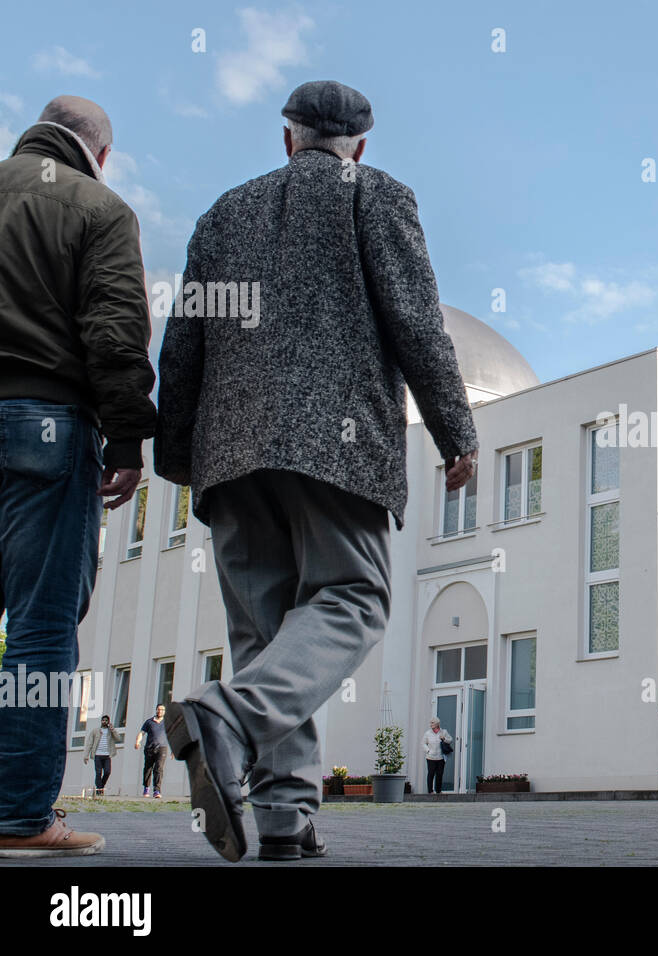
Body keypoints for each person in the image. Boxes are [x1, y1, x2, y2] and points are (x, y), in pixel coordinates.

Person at [155, 80, 479, 863]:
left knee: (270, 638)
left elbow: (184, 341)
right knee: (354, 597)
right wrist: (454, 430)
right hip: (338, 444)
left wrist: (175, 453)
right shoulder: (377, 195)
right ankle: (228, 718)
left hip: (230, 455)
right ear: (359, 146)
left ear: (287, 137)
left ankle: (283, 816)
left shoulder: (222, 214)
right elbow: (415, 322)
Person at [0, 95, 156, 859]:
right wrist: (127, 440)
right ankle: (22, 816)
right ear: (100, 151)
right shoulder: (98, 206)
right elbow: (116, 330)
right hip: (46, 426)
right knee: (38, 626)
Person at [83, 715, 122, 795]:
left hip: (107, 755)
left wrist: (113, 730)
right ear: (101, 721)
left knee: (107, 772)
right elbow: (89, 743)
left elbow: (118, 739)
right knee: (98, 772)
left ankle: (100, 786)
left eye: (106, 720)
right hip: (97, 755)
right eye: (103, 720)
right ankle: (99, 790)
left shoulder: (111, 731)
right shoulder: (95, 731)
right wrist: (86, 755)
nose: (104, 722)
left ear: (108, 722)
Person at [136, 704, 169, 797]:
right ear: (156, 710)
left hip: (162, 748)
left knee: (159, 768)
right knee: (148, 768)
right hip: (149, 748)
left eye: (162, 710)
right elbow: (142, 733)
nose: (160, 711)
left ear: (164, 711)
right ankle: (146, 788)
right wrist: (137, 742)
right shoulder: (149, 722)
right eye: (159, 709)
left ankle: (157, 790)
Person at [422, 718, 452, 794]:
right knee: (431, 773)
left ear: (437, 724)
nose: (431, 724)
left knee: (439, 774)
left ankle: (438, 790)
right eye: (430, 722)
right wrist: (428, 750)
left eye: (432, 723)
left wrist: (444, 738)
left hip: (440, 757)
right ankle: (430, 791)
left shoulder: (443, 732)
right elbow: (423, 743)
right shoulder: (428, 733)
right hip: (430, 757)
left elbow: (450, 740)